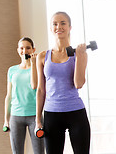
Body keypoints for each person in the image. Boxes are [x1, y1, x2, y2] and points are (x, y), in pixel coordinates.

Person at [35, 11, 91, 154]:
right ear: (51, 28)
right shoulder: (43, 56)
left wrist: (79, 56)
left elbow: (78, 83)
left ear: (70, 27)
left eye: (63, 23)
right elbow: (41, 90)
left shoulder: (80, 53)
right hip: (52, 114)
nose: (58, 27)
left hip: (75, 112)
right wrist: (38, 120)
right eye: (55, 24)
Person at [3, 37, 44, 154]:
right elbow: (9, 96)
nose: (24, 51)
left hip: (35, 116)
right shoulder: (12, 70)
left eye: (28, 48)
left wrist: (33, 63)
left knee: (39, 151)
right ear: (18, 50)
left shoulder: (37, 68)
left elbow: (34, 86)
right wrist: (6, 119)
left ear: (33, 50)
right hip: (16, 116)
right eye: (21, 48)